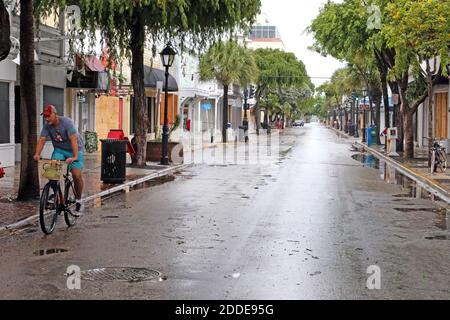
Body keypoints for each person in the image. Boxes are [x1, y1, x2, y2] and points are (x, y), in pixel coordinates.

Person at [34, 104, 85, 214]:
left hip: (74, 149)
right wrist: (37, 154)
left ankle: (79, 200)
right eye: (45, 116)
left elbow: (74, 140)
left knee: (76, 175)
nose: (47, 119)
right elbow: (42, 139)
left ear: (55, 114)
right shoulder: (47, 125)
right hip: (59, 150)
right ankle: (56, 196)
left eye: (49, 116)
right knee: (52, 174)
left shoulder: (67, 123)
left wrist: (75, 157)